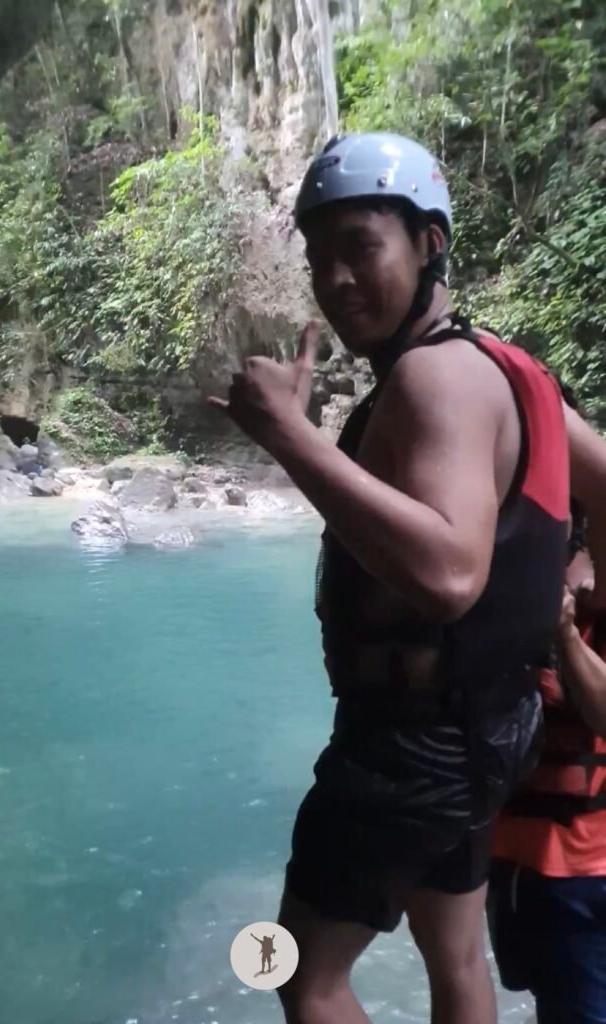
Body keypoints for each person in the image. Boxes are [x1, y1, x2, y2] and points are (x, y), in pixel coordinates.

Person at [209, 130, 606, 1024]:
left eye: (361, 248)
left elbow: (450, 575)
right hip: (491, 732)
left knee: (293, 972)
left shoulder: (435, 382)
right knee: (456, 958)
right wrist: (584, 572)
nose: (335, 278)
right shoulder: (511, 367)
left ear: (429, 243)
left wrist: (290, 438)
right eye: (319, 257)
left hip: (410, 748)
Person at [488, 509, 606, 1024]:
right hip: (525, 863)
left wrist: (565, 635)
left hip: (574, 871)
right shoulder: (499, 595)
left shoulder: (585, 606)